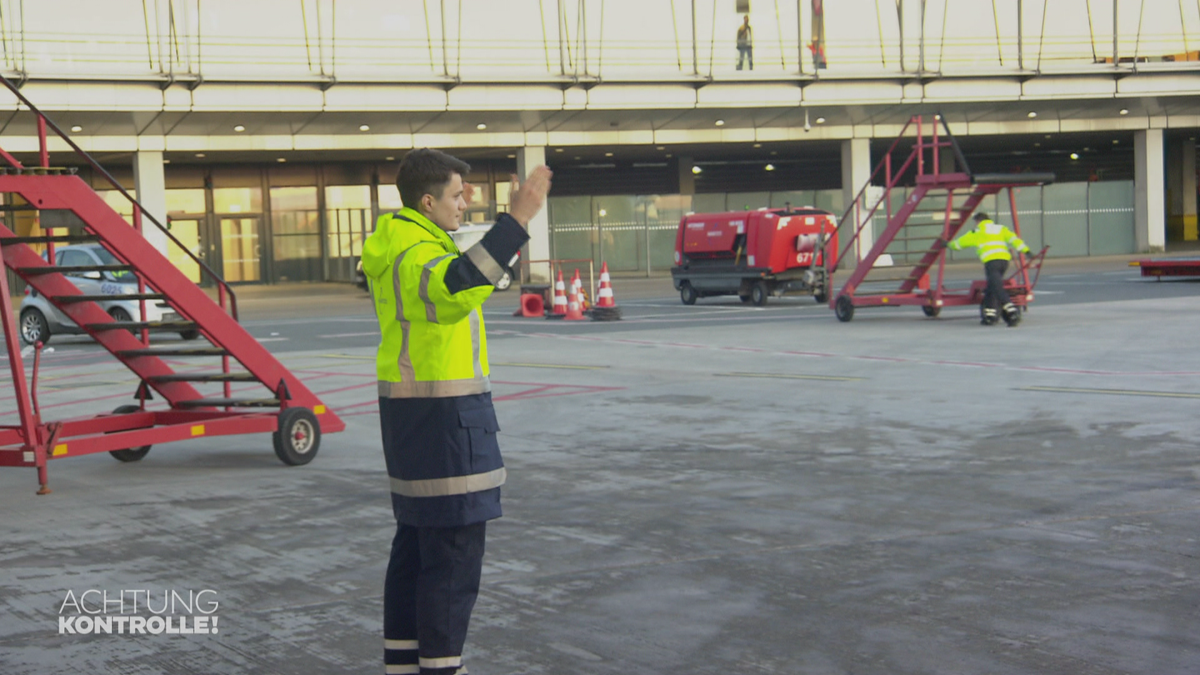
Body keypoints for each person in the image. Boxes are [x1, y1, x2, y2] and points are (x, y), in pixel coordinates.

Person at [361, 149, 552, 675]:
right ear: (428, 200)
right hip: (443, 422)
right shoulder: (418, 251)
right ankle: (442, 668)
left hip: (415, 419)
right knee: (452, 557)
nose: (465, 203)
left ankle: (406, 665)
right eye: (456, 194)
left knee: (418, 551)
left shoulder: (400, 242)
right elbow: (458, 286)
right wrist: (517, 221)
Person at [947, 212, 1031, 327]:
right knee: (991, 287)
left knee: (997, 288)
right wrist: (1026, 251)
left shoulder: (977, 232)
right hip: (1004, 262)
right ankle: (990, 317)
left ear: (978, 221)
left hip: (991, 263)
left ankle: (1012, 312)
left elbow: (958, 245)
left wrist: (947, 244)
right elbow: (1014, 240)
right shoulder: (1000, 228)